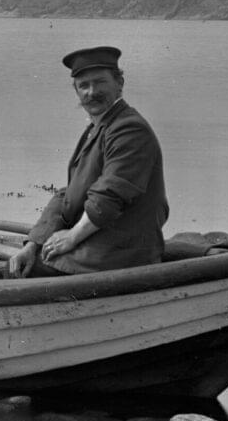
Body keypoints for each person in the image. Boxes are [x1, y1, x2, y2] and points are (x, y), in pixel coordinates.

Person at [9, 46, 169, 277]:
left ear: (119, 83)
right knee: (18, 265)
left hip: (117, 256)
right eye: (83, 86)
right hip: (98, 246)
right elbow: (70, 194)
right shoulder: (100, 128)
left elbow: (108, 197)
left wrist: (70, 238)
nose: (91, 92)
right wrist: (33, 243)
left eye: (100, 82)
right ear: (76, 91)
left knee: (12, 274)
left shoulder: (129, 129)